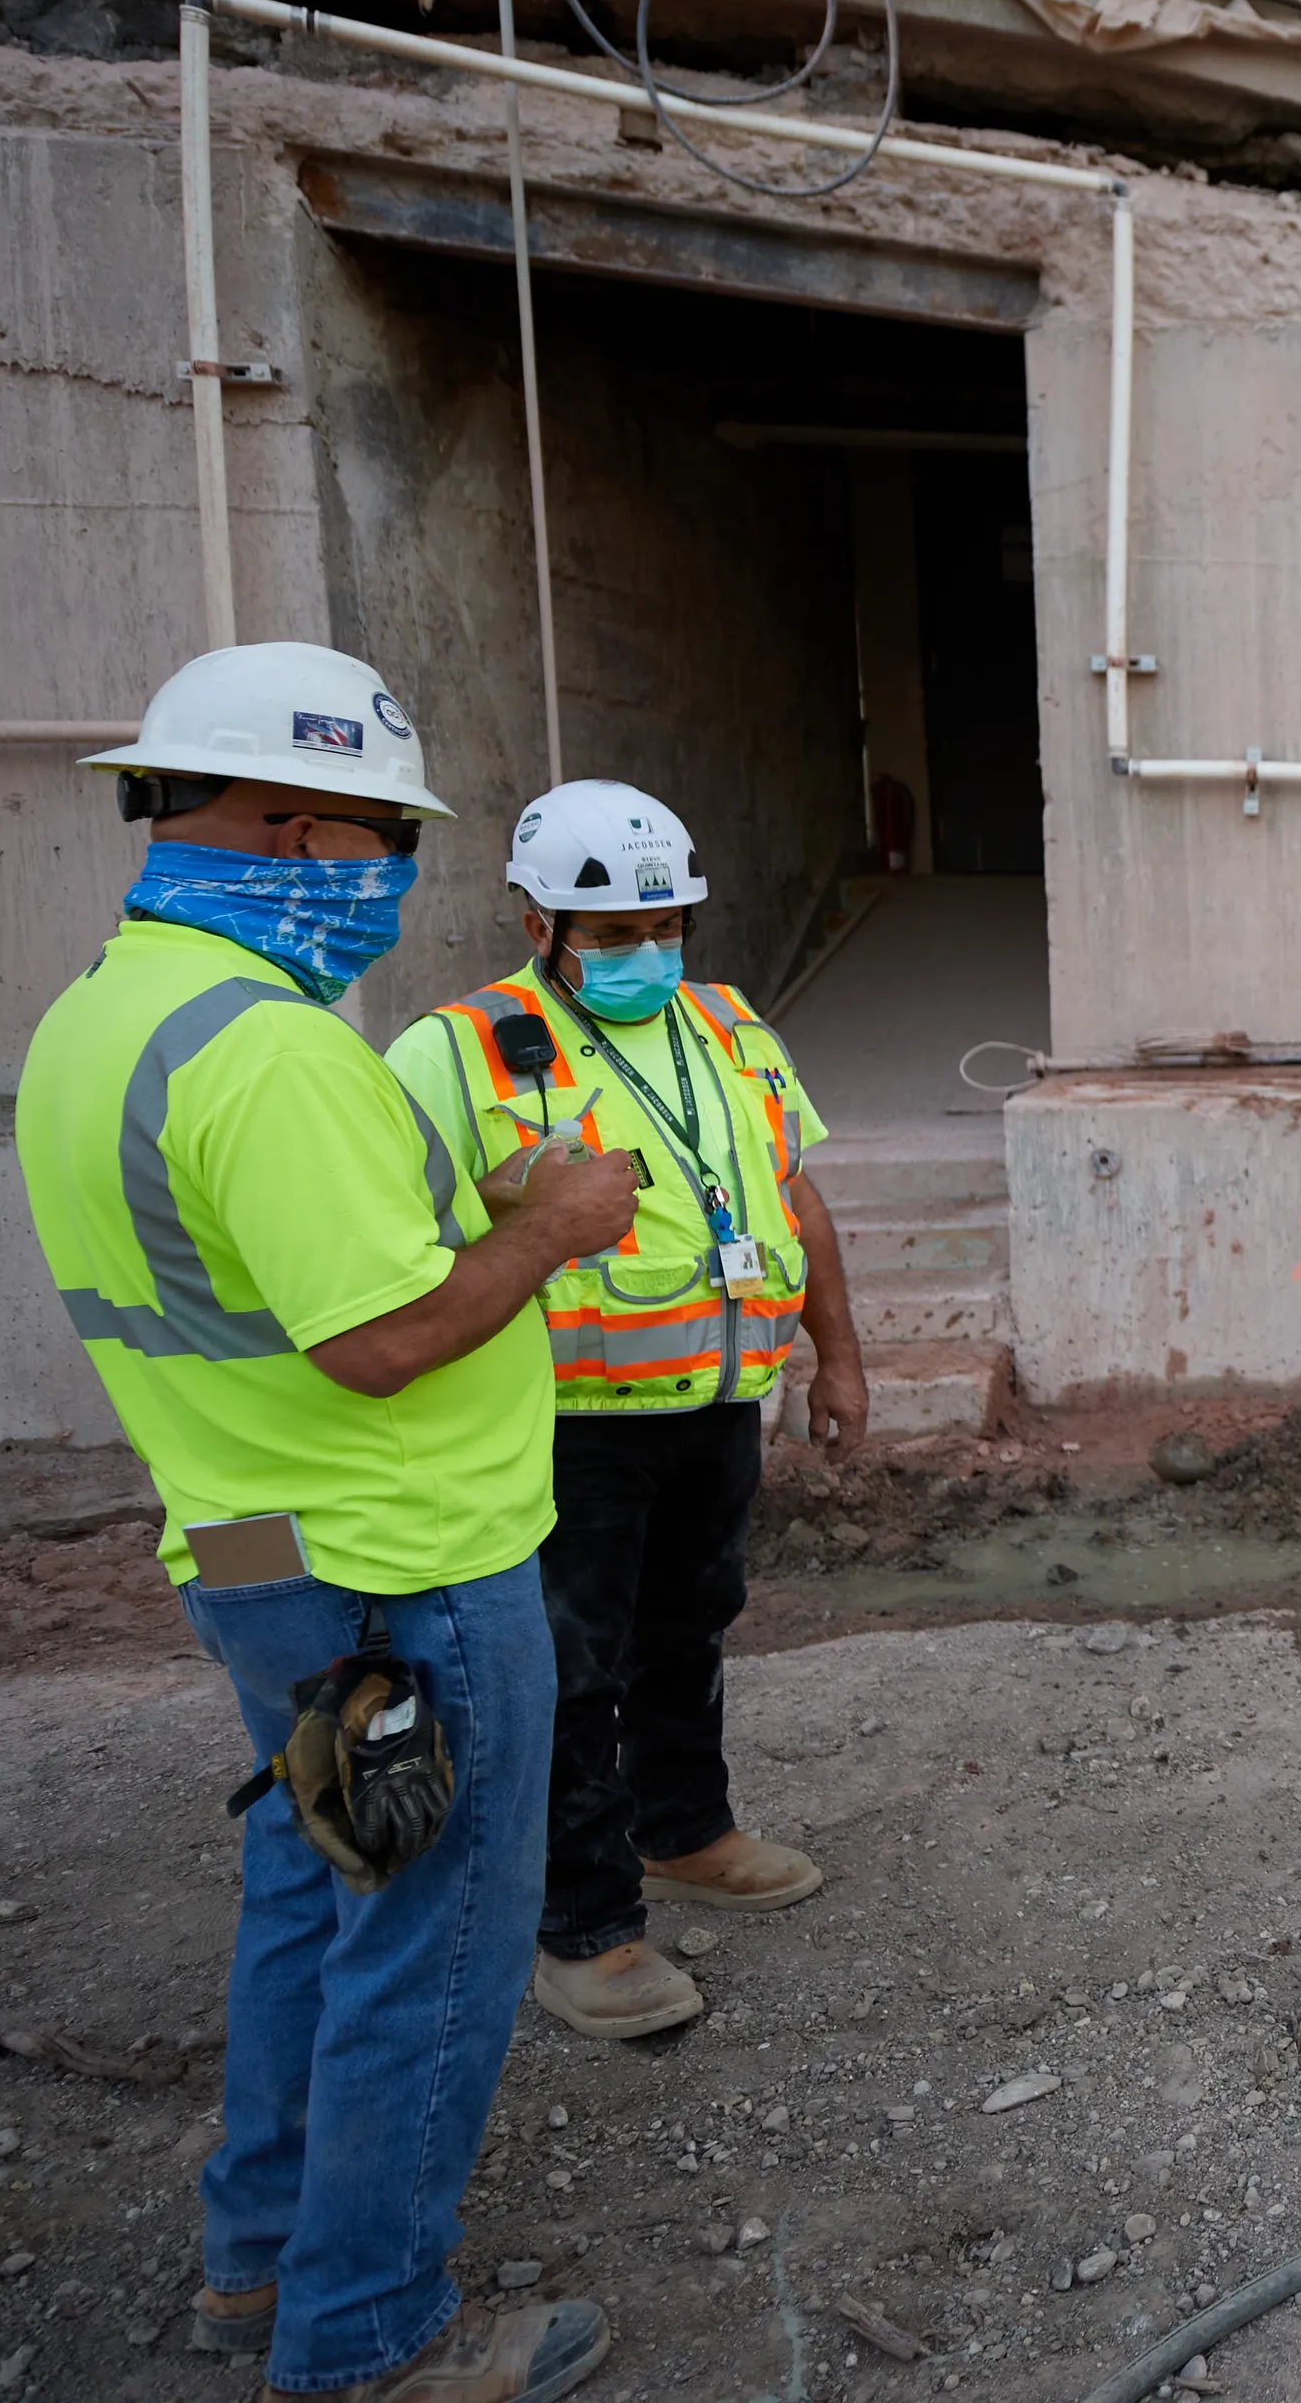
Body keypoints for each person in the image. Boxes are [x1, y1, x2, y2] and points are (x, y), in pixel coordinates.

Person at [17, 644, 630, 2403]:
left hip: (255, 1552)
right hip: (404, 1562)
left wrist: (476, 1203)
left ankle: (260, 2263)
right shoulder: (270, 1052)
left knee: (322, 1882)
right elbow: (379, 1340)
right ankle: (365, 2339)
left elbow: (276, 1273)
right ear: (296, 829)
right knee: (431, 1936)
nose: (384, 882)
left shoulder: (104, 1018)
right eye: (379, 843)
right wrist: (560, 1218)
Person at [385, 781, 861, 2043]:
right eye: (610, 935)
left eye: (666, 926)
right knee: (566, 1670)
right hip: (562, 1424)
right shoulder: (454, 1050)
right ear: (538, 922)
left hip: (715, 1398)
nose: (645, 953)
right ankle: (584, 1932)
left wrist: (838, 1358)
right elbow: (389, 1247)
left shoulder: (731, 1026)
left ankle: (685, 1830)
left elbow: (794, 1200)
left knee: (690, 1626)